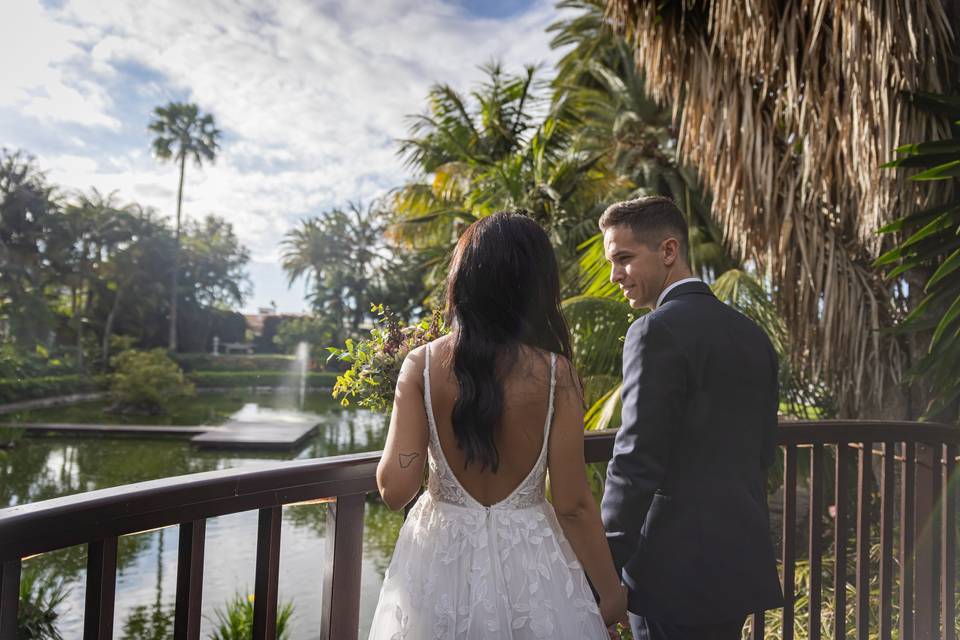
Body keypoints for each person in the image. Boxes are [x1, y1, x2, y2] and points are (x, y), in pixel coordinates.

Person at [368, 211, 626, 639]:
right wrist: (610, 592)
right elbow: (572, 503)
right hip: (529, 559)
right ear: (537, 286)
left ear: (463, 280)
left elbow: (394, 490)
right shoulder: (556, 374)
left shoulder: (422, 365)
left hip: (438, 561)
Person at [599, 196, 784, 640]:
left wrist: (602, 566)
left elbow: (635, 460)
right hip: (736, 561)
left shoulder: (653, 330)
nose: (614, 275)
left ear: (668, 251)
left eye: (624, 258)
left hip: (673, 573)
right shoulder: (752, 335)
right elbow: (762, 451)